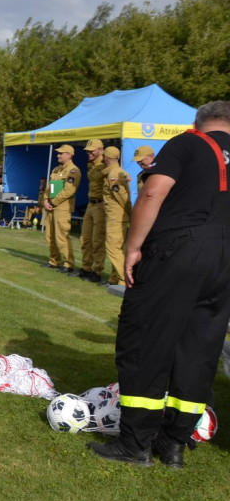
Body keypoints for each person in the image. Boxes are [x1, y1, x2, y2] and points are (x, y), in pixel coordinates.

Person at [88, 102, 230, 468]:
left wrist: (133, 247)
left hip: (179, 249)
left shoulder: (188, 142)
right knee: (200, 350)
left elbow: (153, 192)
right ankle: (174, 445)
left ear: (199, 122)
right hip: (224, 259)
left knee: (144, 339)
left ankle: (135, 444)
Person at [41, 144, 81, 273]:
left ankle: (69, 264)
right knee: (50, 236)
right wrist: (46, 200)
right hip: (51, 206)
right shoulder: (56, 170)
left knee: (61, 236)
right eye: (58, 153)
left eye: (61, 153)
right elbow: (48, 187)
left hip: (62, 208)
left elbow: (69, 190)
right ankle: (54, 260)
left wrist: (53, 202)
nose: (58, 155)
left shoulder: (73, 170)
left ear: (69, 155)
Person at [99, 146, 132, 290]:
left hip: (116, 215)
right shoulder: (116, 172)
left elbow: (122, 196)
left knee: (113, 247)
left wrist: (131, 212)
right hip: (116, 215)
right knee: (117, 247)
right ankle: (114, 278)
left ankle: (124, 278)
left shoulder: (114, 174)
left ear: (106, 157)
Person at [77, 139, 106, 283]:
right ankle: (86, 267)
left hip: (101, 205)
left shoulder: (106, 165)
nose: (89, 153)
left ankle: (97, 270)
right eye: (88, 150)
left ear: (101, 150)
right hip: (91, 204)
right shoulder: (90, 165)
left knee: (97, 240)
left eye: (92, 150)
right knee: (85, 238)